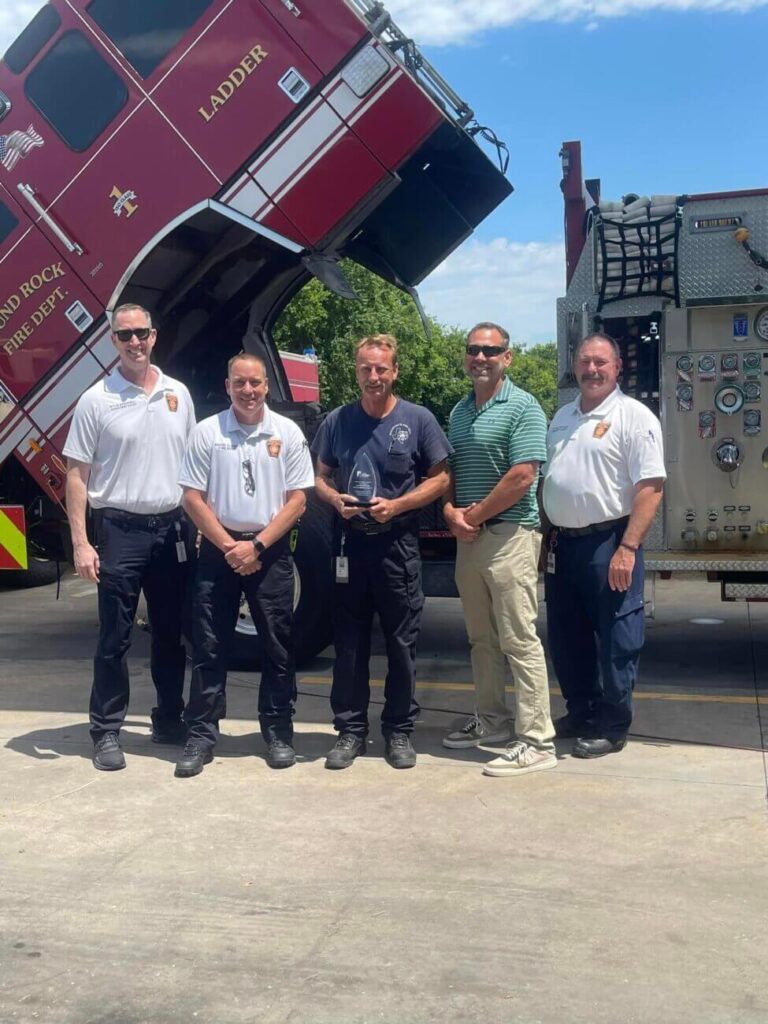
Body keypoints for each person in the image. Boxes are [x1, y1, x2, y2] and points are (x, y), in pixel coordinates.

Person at [64, 303, 195, 771]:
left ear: (154, 336)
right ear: (113, 342)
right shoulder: (96, 400)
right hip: (120, 532)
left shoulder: (178, 394)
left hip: (172, 530)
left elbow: (191, 469)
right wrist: (81, 542)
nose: (134, 342)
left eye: (141, 333)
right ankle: (105, 731)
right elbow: (76, 474)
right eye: (125, 335)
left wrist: (198, 527)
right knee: (114, 637)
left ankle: (168, 719)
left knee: (170, 634)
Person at [312, 334, 452, 770]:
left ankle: (399, 731)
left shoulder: (419, 419)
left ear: (394, 372)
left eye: (381, 369)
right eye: (365, 369)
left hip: (398, 547)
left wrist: (400, 505)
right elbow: (318, 476)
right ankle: (351, 731)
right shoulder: (337, 421)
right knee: (349, 644)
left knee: (400, 643)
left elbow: (441, 479)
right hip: (350, 547)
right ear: (356, 371)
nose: (373, 377)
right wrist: (335, 501)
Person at [174, 352, 314, 777]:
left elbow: (299, 499)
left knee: (277, 647)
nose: (248, 391)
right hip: (219, 549)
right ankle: (200, 736)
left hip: (268, 549)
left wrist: (256, 545)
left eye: (255, 383)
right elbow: (192, 497)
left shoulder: (287, 432)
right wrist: (230, 546)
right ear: (227, 385)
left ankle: (277, 731)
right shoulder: (206, 432)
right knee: (209, 646)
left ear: (267, 386)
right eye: (240, 383)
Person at [542, 332, 665, 757]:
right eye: (584, 362)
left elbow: (650, 487)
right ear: (575, 367)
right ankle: (581, 712)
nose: (591, 369)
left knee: (617, 638)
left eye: (600, 362)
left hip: (609, 542)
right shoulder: (562, 417)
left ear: (617, 368)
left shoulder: (634, 416)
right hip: (564, 546)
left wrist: (628, 548)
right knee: (567, 638)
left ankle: (613, 726)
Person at [442, 322, 557, 777]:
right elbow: (450, 470)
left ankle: (536, 740)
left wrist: (475, 515)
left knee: (518, 639)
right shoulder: (459, 411)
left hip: (510, 536)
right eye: (473, 349)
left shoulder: (524, 406)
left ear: (507, 357)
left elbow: (523, 475)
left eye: (491, 350)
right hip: (470, 540)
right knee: (481, 640)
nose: (481, 357)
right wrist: (452, 512)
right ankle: (491, 721)